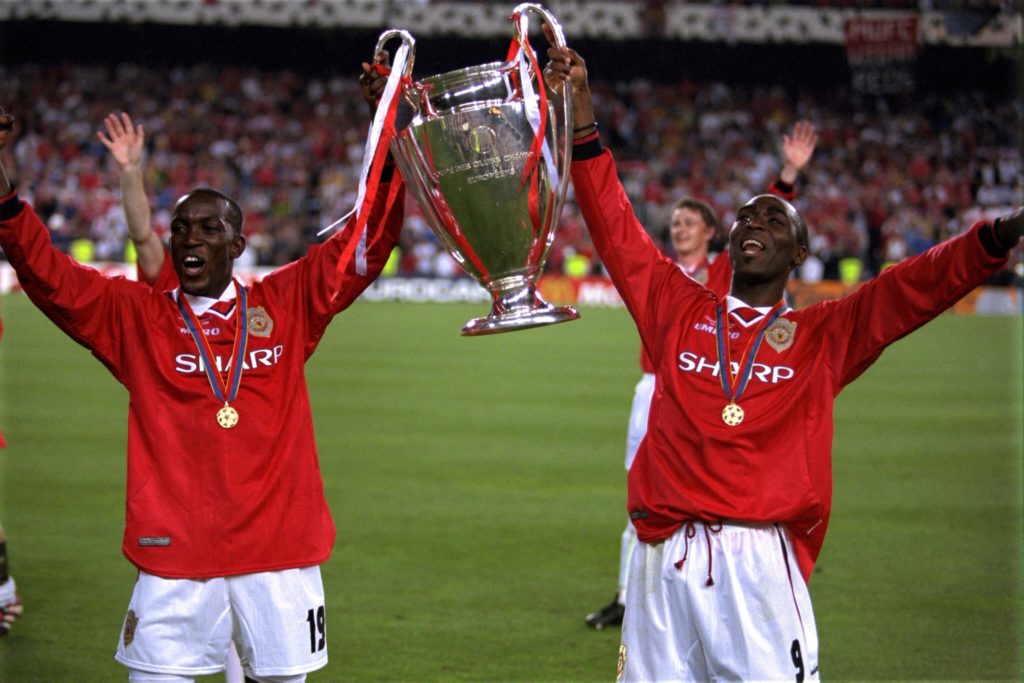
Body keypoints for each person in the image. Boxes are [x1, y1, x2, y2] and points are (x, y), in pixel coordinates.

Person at [545, 38, 1022, 681]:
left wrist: (1001, 234)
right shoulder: (676, 306)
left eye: (774, 218)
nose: (754, 223)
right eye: (745, 217)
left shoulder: (823, 335)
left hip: (758, 563)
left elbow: (912, 287)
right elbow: (612, 220)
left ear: (799, 254)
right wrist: (579, 107)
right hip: (662, 559)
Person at [0, 65, 405, 683]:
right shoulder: (136, 317)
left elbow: (368, 240)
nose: (191, 240)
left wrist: (391, 128)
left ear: (237, 245)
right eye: (181, 229)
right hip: (175, 557)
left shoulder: (283, 304)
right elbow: (45, 273)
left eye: (209, 229)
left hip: (278, 556)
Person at [586, 122, 819, 630]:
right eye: (676, 222)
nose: (680, 228)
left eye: (690, 222)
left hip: (699, 390)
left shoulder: (720, 276)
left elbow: (768, 229)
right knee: (640, 491)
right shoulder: (670, 276)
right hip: (652, 390)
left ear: (713, 233)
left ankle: (689, 588)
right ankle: (628, 594)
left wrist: (788, 176)